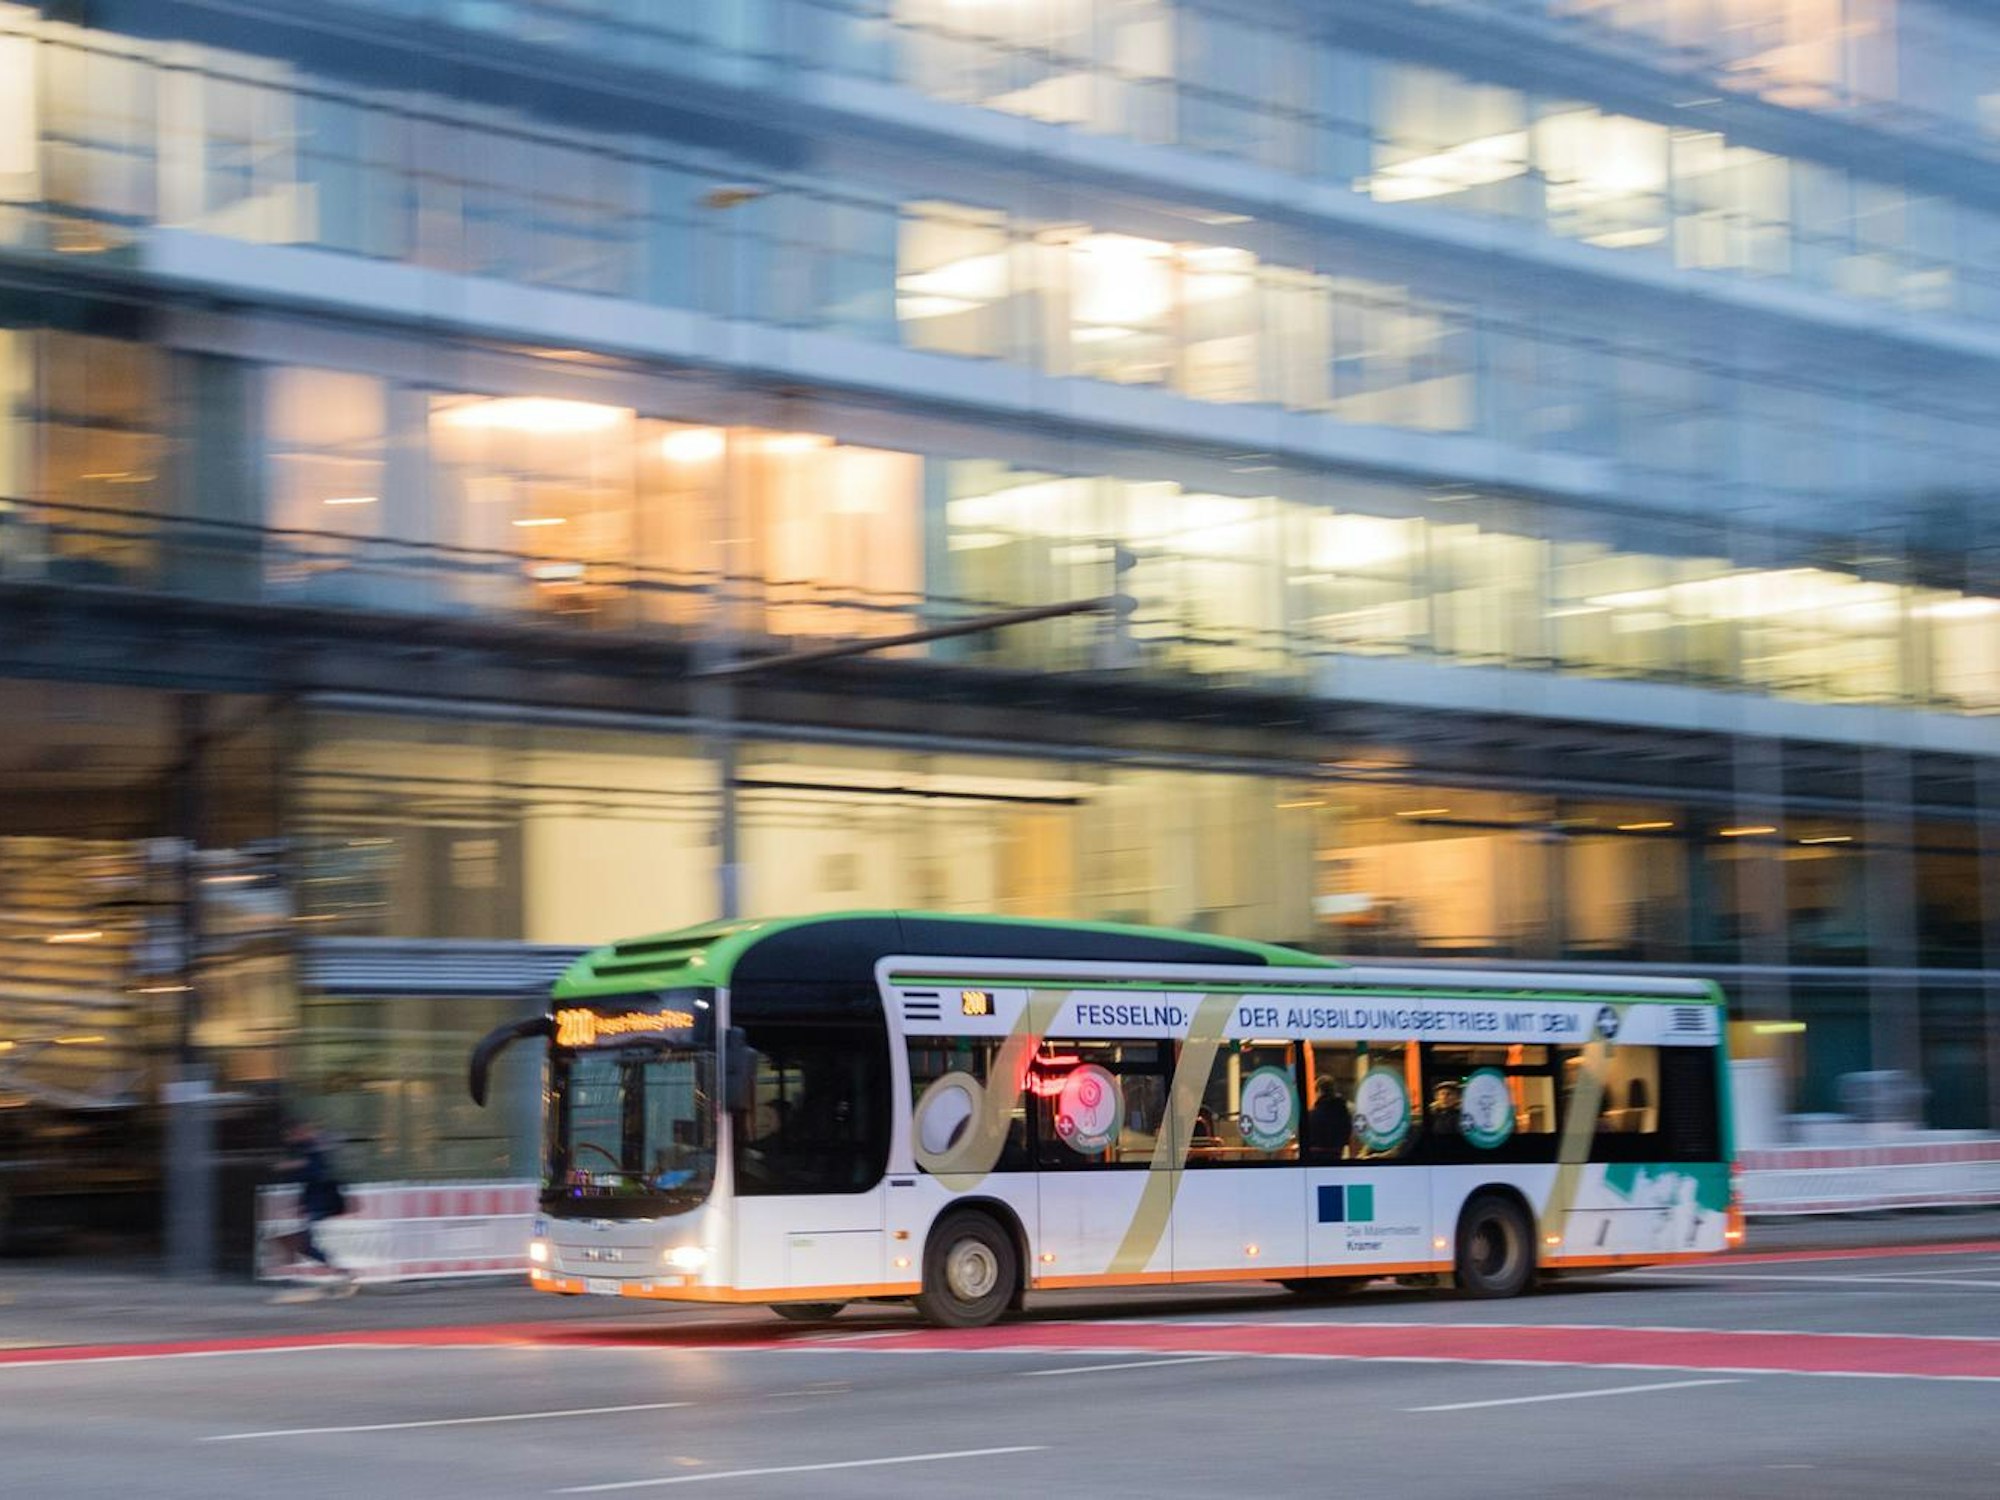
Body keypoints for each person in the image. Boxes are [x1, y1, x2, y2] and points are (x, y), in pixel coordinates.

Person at [273, 1118, 356, 1300]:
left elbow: (316, 1174)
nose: (288, 1139)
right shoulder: (307, 1148)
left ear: (299, 1133)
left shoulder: (311, 1149)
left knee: (304, 1243)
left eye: (291, 1135)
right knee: (303, 1243)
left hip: (318, 1204)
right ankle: (341, 1272)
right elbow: (310, 1177)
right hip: (314, 1204)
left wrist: (294, 1166)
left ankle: (342, 1273)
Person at [1308, 1076, 1352, 1162]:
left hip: (1316, 1159)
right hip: (1337, 1155)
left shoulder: (1312, 1115)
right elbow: (1346, 1136)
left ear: (1319, 1091)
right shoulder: (1343, 1112)